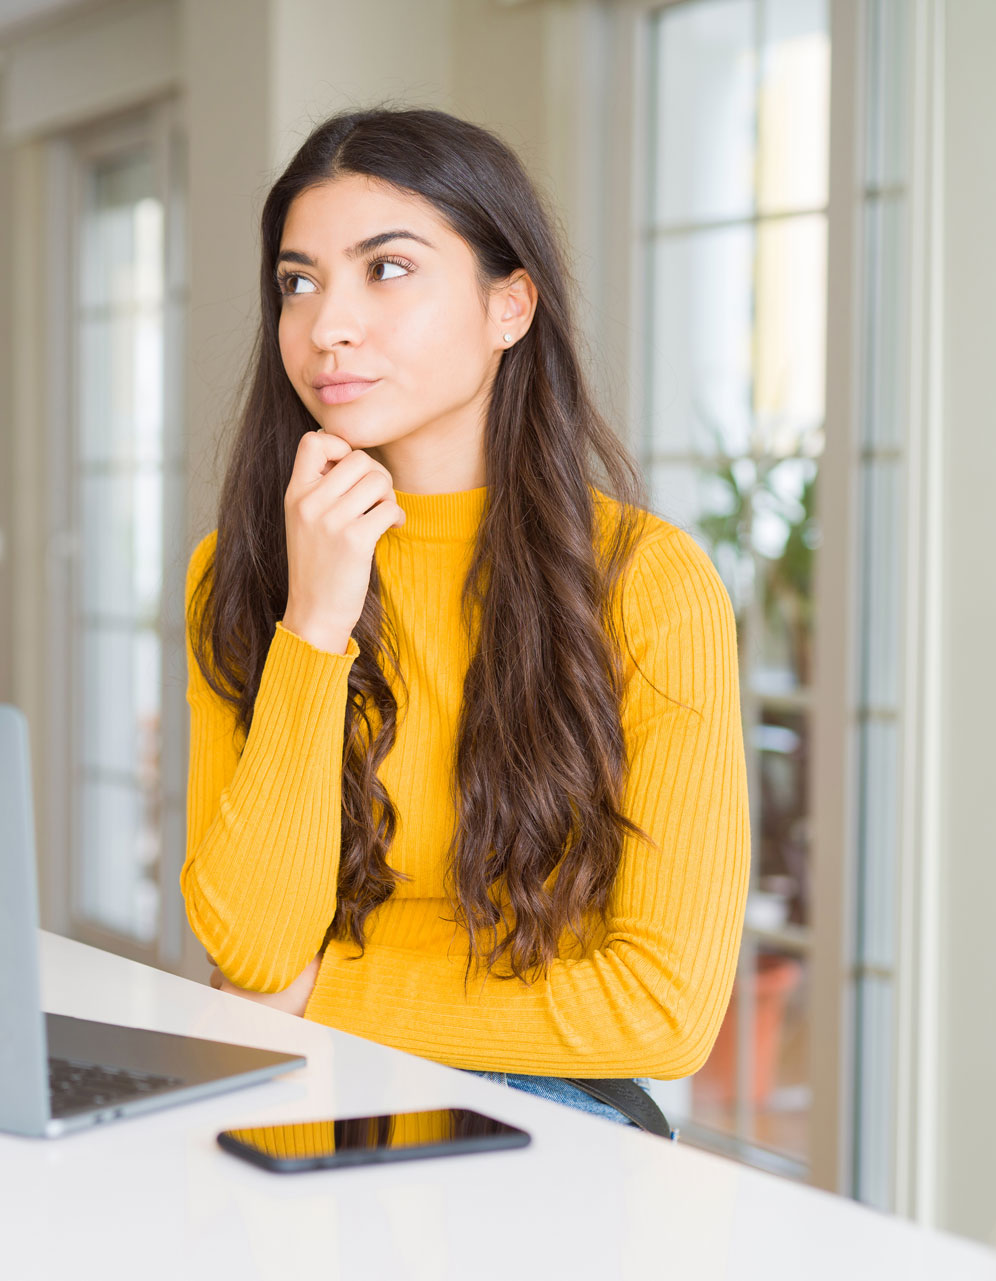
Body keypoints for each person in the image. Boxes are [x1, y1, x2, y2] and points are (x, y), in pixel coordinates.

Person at [182, 106, 750, 1133]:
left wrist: (330, 996)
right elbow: (254, 949)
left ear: (511, 306)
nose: (327, 326)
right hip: (304, 1089)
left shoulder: (648, 583)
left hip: (542, 1106)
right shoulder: (246, 572)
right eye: (298, 281)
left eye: (386, 269)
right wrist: (315, 622)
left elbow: (665, 1013)